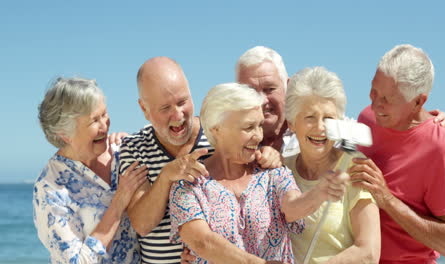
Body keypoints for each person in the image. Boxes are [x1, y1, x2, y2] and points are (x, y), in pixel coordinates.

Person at [118, 57, 282, 264]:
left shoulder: (220, 133)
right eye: (165, 108)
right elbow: (141, 224)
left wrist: (270, 155)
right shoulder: (134, 148)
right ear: (144, 109)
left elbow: (251, 199)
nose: (178, 115)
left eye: (182, 102)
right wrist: (166, 177)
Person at [169, 83, 349, 264]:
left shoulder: (273, 172)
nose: (258, 136)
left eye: (260, 125)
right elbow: (202, 242)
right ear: (217, 129)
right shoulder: (188, 184)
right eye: (248, 127)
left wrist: (319, 194)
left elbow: (292, 208)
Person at [350, 44, 445, 263]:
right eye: (374, 91)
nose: (376, 104)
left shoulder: (444, 149)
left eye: (388, 98)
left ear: (418, 102)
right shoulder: (367, 118)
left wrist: (387, 199)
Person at [235, 46, 445, 156]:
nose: (261, 100)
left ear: (288, 85)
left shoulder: (334, 131)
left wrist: (427, 121)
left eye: (269, 88)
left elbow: (390, 140)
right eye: (249, 90)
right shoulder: (226, 139)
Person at [33, 77, 147, 264]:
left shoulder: (121, 151)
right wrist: (119, 202)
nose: (105, 125)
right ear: (65, 134)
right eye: (94, 120)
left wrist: (134, 145)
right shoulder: (50, 189)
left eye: (104, 114)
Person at [284, 67, 380, 263]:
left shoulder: (355, 167)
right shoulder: (283, 169)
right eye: (310, 117)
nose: (320, 128)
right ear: (292, 123)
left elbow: (369, 252)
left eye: (328, 119)